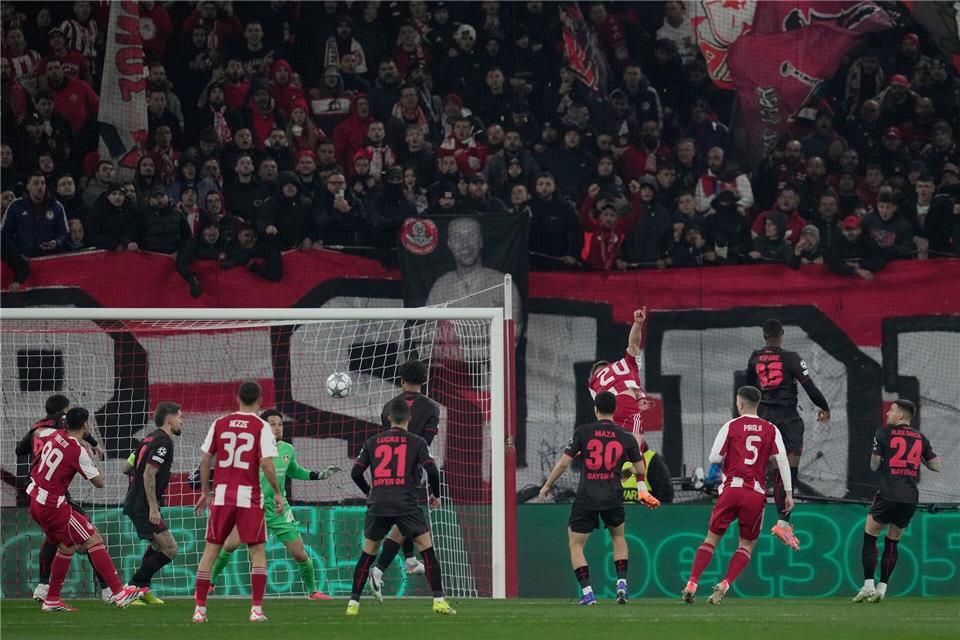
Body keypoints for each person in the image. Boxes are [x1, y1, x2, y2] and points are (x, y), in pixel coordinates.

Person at [538, 392, 659, 605]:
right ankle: (621, 585)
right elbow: (640, 468)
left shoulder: (583, 432)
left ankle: (588, 593)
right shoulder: (626, 437)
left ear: (595, 409)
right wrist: (626, 471)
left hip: (587, 496)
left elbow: (564, 463)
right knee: (618, 538)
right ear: (615, 410)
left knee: (576, 544)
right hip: (613, 495)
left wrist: (547, 485)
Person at [207, 409, 341, 600]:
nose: (278, 428)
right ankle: (210, 583)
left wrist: (317, 475)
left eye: (280, 424)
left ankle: (313, 592)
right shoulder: (250, 448)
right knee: (230, 545)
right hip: (252, 505)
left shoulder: (287, 449)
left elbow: (294, 470)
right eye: (273, 424)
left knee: (300, 553)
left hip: (278, 509)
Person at [681, 386, 794, 605]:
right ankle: (724, 584)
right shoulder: (771, 429)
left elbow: (714, 458)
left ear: (740, 404)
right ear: (757, 404)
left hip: (731, 489)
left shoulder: (731, 426)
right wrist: (788, 493)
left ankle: (692, 583)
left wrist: (731, 454)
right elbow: (782, 461)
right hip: (755, 494)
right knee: (746, 545)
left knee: (711, 540)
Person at [347, 397, 456, 616]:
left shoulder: (372, 441)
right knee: (427, 549)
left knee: (368, 553)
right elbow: (432, 471)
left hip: (379, 504)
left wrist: (368, 491)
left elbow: (356, 472)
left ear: (389, 418)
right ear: (409, 418)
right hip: (406, 504)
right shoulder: (417, 442)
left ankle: (353, 604)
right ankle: (439, 601)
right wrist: (436, 495)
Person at [26, 407, 141, 611]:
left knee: (66, 547)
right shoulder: (77, 451)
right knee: (93, 539)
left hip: (35, 500)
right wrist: (91, 461)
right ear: (86, 424)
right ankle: (118, 593)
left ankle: (51, 600)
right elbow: (99, 483)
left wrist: (89, 444)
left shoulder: (54, 434)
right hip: (53, 506)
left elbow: (39, 433)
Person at [192, 382, 284, 624]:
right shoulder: (261, 426)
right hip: (249, 496)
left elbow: (205, 459)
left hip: (222, 495)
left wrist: (205, 492)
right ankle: (256, 610)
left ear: (237, 399)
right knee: (257, 551)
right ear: (260, 401)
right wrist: (277, 492)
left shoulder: (220, 423)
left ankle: (200, 610)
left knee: (210, 551)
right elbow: (266, 463)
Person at [744, 319, 830, 550]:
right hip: (788, 421)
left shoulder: (754, 358)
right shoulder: (791, 358)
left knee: (763, 470)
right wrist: (824, 407)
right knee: (786, 471)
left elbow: (747, 390)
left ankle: (750, 515)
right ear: (782, 334)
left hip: (764, 420)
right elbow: (810, 388)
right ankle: (782, 523)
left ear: (764, 335)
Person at [15, 395, 107, 603]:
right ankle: (107, 587)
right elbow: (77, 431)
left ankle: (43, 587)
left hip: (36, 489)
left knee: (54, 539)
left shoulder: (38, 428)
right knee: (89, 532)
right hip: (53, 494)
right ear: (64, 411)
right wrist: (92, 444)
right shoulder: (63, 428)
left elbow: (19, 450)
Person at [853, 400, 941, 603]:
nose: (887, 414)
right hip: (910, 498)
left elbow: (874, 465)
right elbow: (936, 465)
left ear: (900, 415)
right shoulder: (921, 437)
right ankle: (882, 589)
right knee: (893, 541)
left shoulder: (883, 433)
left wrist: (886, 458)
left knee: (870, 537)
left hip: (888, 494)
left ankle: (868, 585)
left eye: (891, 411)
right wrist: (918, 458)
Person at [368, 360, 441, 601]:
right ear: (425, 381)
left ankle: (408, 560)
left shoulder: (390, 406)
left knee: (403, 522)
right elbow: (424, 444)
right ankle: (379, 570)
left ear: (401, 381)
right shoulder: (431, 408)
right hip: (410, 473)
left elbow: (388, 439)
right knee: (406, 518)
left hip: (387, 473)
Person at [121, 402, 183, 605]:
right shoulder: (164, 441)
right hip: (144, 506)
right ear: (170, 419)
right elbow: (149, 474)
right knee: (170, 549)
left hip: (137, 502)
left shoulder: (147, 439)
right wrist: (153, 507)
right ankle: (129, 588)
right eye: (180, 417)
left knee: (157, 546)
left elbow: (125, 467)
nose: (181, 421)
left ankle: (141, 590)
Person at [588, 308, 660, 454]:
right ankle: (634, 462)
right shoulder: (627, 364)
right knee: (636, 445)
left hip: (608, 416)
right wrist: (638, 324)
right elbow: (633, 344)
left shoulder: (593, 384)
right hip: (624, 405)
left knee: (613, 450)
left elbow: (600, 412)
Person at [425, 217, 522, 319]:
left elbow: (514, 326)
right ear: (450, 244)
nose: (465, 244)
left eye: (471, 236)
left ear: (480, 241)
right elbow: (429, 326)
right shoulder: (440, 287)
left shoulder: (503, 284)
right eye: (457, 237)